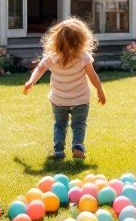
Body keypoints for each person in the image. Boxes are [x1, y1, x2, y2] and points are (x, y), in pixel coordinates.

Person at [23, 17, 106, 159]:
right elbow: (92, 75)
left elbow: (40, 69)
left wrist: (31, 81)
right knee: (79, 124)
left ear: (56, 39)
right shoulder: (83, 57)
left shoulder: (52, 57)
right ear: (81, 40)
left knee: (60, 124)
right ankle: (77, 146)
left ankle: (59, 150)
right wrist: (99, 90)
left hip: (59, 99)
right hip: (80, 99)